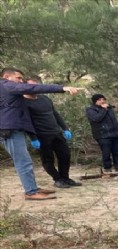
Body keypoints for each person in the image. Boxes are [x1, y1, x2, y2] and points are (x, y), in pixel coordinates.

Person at [0, 67, 78, 200]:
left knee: (25, 161)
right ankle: (31, 192)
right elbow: (32, 89)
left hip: (15, 129)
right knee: (23, 162)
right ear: (7, 77)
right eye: (18, 78)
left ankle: (33, 188)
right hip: (9, 130)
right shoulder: (5, 85)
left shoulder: (9, 89)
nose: (21, 81)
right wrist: (62, 88)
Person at [24, 77, 82, 188]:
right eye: (32, 86)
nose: (35, 88)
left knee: (65, 155)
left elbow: (55, 114)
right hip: (41, 135)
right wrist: (33, 138)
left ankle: (65, 178)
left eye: (37, 86)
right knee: (47, 159)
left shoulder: (45, 98)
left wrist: (65, 128)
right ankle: (57, 179)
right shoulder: (23, 103)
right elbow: (26, 122)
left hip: (56, 132)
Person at [85, 94, 118, 172]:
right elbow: (96, 119)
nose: (102, 101)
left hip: (113, 133)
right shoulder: (90, 110)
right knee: (106, 152)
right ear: (95, 101)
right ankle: (108, 168)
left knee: (117, 151)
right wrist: (103, 110)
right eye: (100, 100)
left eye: (103, 99)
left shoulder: (109, 109)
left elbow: (114, 120)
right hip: (102, 134)